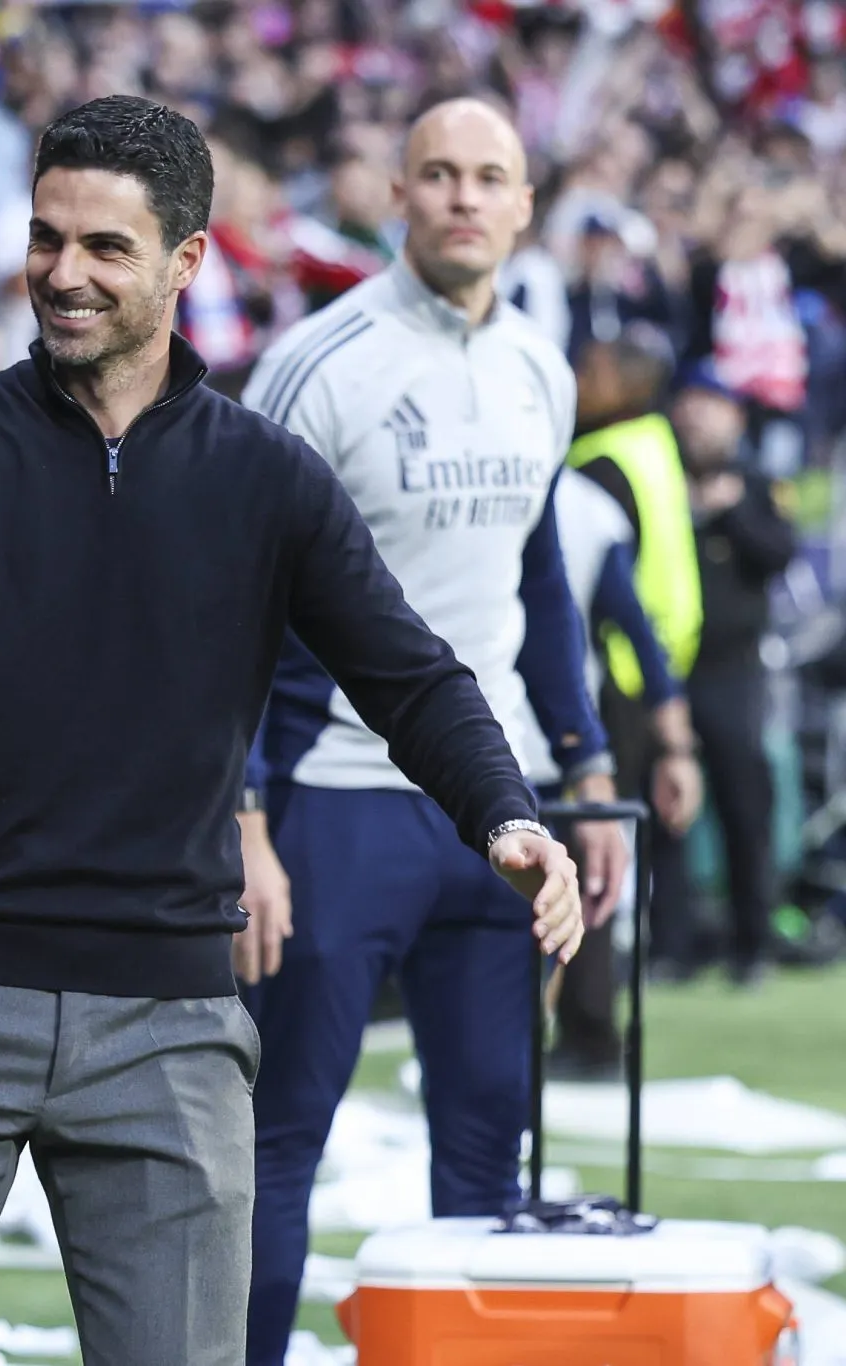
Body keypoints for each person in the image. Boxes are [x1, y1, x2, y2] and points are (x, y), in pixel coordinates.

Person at [0, 93, 585, 1366]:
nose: (63, 274)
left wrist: (506, 813)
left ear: (183, 264)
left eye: (105, 248)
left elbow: (409, 675)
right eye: (46, 238)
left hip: (165, 1019)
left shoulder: (264, 476)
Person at [236, 98, 628, 1365]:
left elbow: (540, 587)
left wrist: (586, 760)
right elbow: (234, 604)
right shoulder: (315, 361)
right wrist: (239, 811)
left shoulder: (540, 369)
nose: (463, 197)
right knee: (279, 1136)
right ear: (395, 193)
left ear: (523, 205)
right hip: (331, 800)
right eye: (438, 174)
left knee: (486, 1147)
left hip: (497, 809)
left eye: (490, 177)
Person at [558, 328, 705, 1064]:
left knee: (589, 847)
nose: (580, 377)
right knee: (614, 847)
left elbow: (608, 592)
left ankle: (587, 1027)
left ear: (625, 380)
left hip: (612, 679)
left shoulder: (600, 465)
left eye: (593, 367)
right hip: (659, 674)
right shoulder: (656, 445)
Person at [672, 361, 801, 983]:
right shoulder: (661, 477)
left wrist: (728, 513)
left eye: (710, 408)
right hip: (669, 671)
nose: (697, 419)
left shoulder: (754, 482)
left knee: (744, 809)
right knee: (664, 809)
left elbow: (780, 553)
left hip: (733, 671)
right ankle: (672, 945)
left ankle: (753, 943)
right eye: (690, 407)